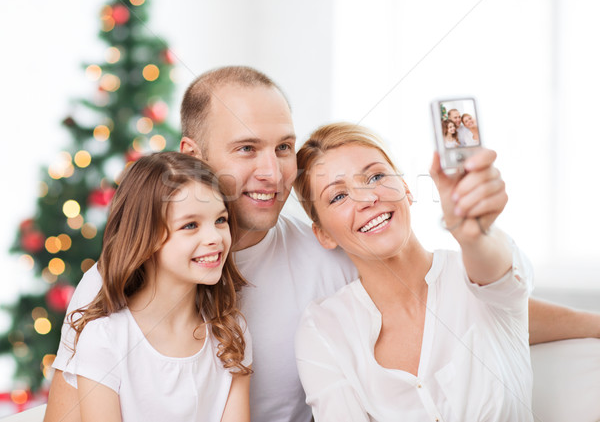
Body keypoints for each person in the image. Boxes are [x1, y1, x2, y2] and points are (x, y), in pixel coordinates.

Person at [46, 66, 600, 422]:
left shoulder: (328, 256)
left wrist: (590, 321)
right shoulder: (121, 279)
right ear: (193, 152)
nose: (271, 171)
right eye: (246, 148)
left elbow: (469, 304)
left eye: (284, 146)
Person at [294, 122, 533, 421]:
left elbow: (498, 273)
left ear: (405, 188)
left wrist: (474, 234)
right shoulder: (324, 327)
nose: (368, 199)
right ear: (324, 235)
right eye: (338, 196)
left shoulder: (475, 276)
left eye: (376, 176)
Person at [60, 152, 252, 422]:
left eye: (220, 220)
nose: (214, 238)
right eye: (190, 225)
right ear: (146, 238)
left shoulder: (230, 334)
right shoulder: (105, 339)